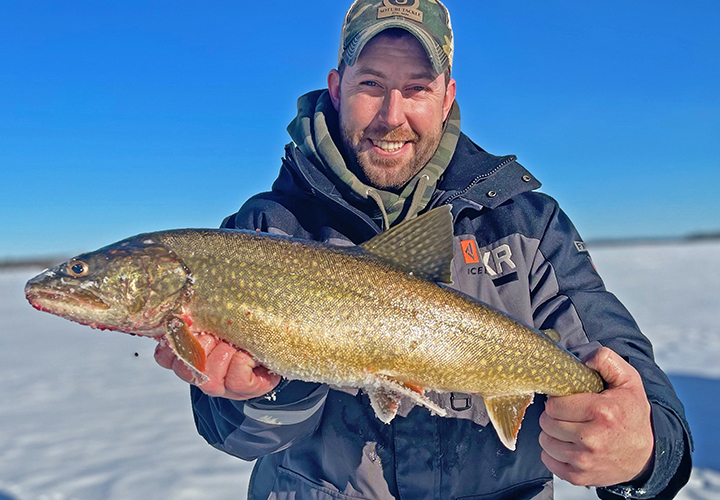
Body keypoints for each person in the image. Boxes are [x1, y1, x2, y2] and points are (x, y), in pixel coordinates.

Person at [155, 1, 692, 498]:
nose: (392, 115)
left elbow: (633, 380)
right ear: (337, 88)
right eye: (371, 83)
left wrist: (644, 453)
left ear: (447, 97)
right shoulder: (267, 230)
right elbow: (238, 438)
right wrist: (265, 395)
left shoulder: (527, 225)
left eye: (416, 88)